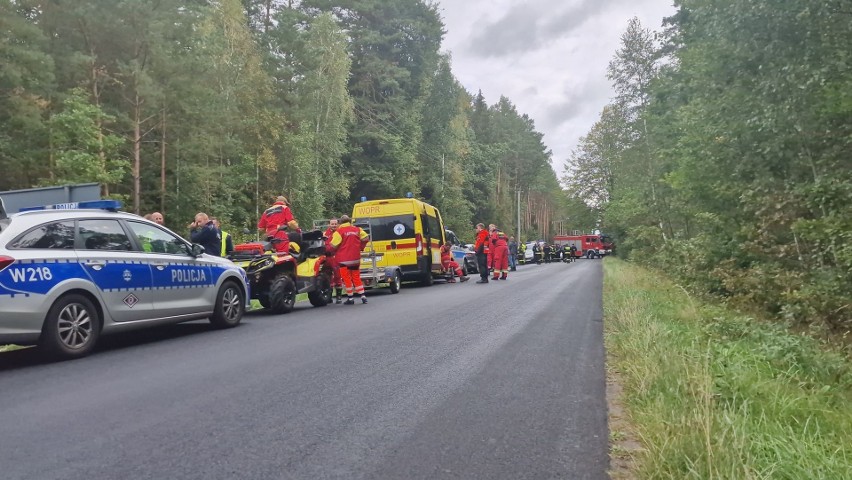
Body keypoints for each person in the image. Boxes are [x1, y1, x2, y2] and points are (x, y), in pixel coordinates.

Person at [330, 215, 369, 305]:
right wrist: (360, 246)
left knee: (346, 278)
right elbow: (366, 238)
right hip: (355, 258)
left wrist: (336, 249)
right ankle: (363, 296)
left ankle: (350, 298)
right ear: (349, 221)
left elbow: (333, 245)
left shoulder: (339, 231)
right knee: (356, 277)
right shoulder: (357, 229)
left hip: (344, 260)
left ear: (340, 222)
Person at [323, 218, 344, 304]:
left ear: (338, 224)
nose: (334, 225)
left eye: (335, 224)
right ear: (329, 224)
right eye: (332, 224)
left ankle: (338, 297)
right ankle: (329, 296)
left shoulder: (339, 233)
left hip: (336, 257)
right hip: (327, 258)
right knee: (327, 277)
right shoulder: (325, 233)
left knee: (337, 277)